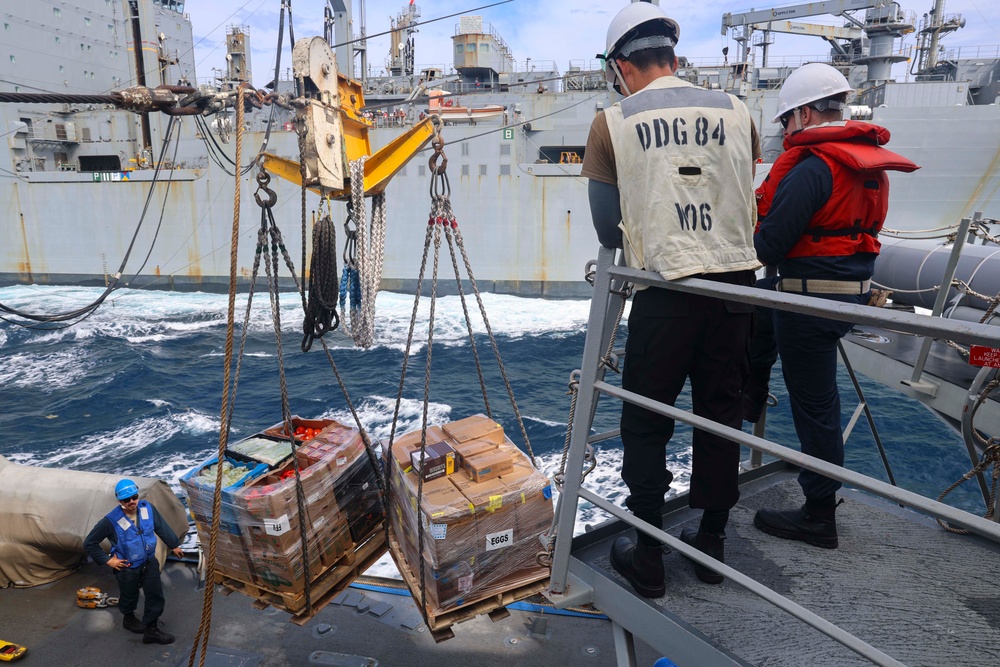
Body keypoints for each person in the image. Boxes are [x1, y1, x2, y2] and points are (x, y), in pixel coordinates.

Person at [581, 3, 760, 593]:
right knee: (720, 415)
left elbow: (609, 232)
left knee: (646, 424)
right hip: (736, 289)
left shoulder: (612, 121)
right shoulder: (739, 111)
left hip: (666, 291)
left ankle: (650, 557)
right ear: (674, 57)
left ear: (621, 66)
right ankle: (710, 545)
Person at [751, 63, 918, 548]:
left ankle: (819, 514)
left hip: (808, 300)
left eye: (786, 122)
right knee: (760, 316)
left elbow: (771, 247)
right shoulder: (865, 165)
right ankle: (753, 391)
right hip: (849, 297)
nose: (785, 132)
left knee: (814, 408)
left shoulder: (812, 167)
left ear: (803, 114)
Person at [84, 479, 184, 645]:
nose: (131, 502)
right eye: (126, 500)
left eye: (134, 497)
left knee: (155, 596)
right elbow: (90, 543)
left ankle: (151, 630)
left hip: (149, 563)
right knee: (129, 596)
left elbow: (161, 527)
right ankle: (128, 619)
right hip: (127, 567)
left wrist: (174, 545)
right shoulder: (110, 521)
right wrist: (108, 561)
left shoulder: (147, 509)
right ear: (119, 501)